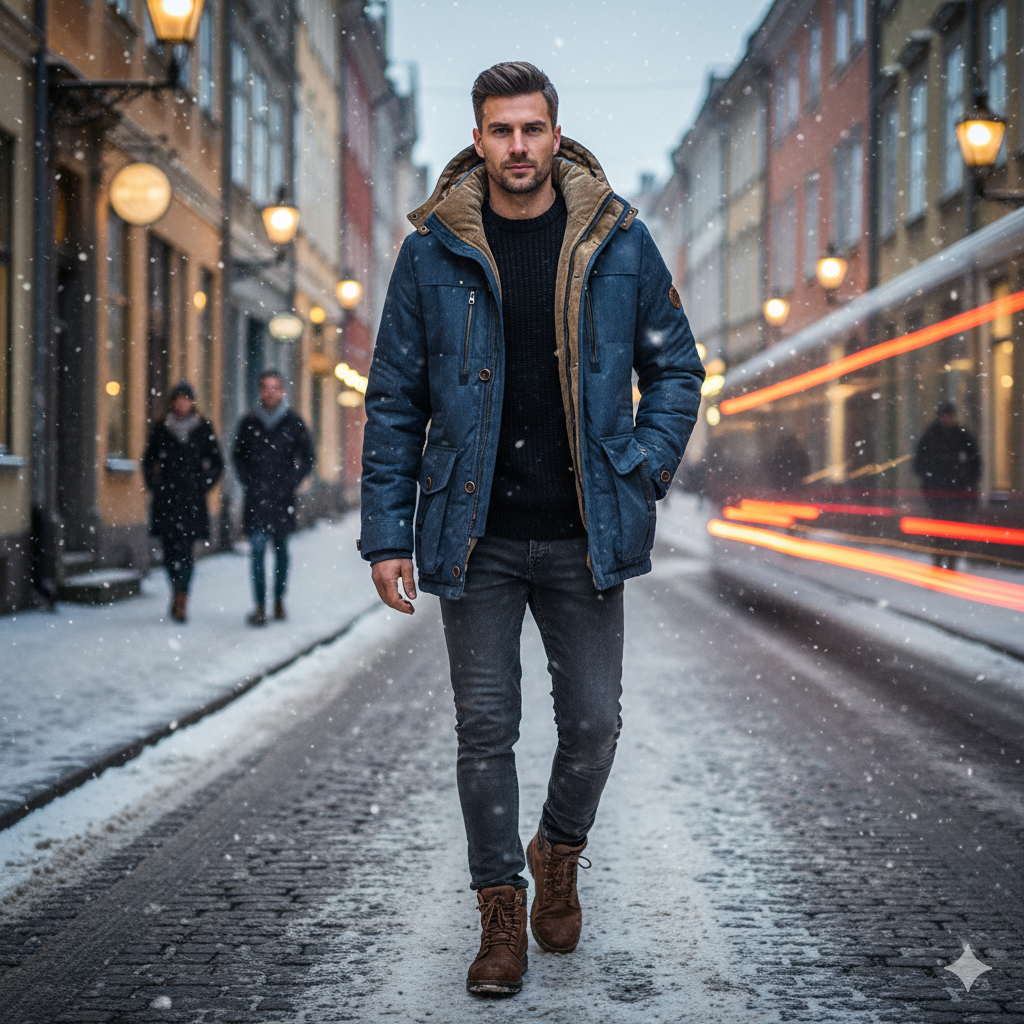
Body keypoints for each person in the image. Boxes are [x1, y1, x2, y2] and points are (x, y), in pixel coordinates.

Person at [359, 62, 704, 996]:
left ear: (557, 134)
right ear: (478, 139)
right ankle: (500, 917)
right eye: (500, 131)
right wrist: (388, 534)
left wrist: (644, 464)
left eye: (532, 129)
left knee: (594, 725)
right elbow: (394, 400)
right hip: (475, 535)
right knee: (487, 730)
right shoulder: (433, 249)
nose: (518, 146)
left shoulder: (618, 239)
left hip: (583, 535)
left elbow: (677, 370)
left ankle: (558, 848)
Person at [232, 370, 315, 625]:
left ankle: (278, 599)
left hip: (282, 500)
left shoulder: (293, 422)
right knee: (257, 551)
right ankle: (259, 606)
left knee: (281, 552)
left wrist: (291, 481)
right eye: (266, 388)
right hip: (257, 499)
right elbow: (237, 456)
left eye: (275, 388)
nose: (270, 392)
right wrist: (249, 482)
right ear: (260, 391)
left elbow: (308, 457)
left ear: (282, 391)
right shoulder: (249, 422)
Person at [142, 381, 224, 623]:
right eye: (178, 399)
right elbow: (148, 460)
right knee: (168, 554)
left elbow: (217, 462)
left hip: (191, 501)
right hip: (166, 500)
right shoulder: (161, 428)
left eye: (186, 399)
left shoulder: (202, 428)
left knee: (186, 552)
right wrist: (155, 484)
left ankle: (182, 597)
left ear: (192, 402)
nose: (181, 404)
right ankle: (176, 590)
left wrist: (203, 485)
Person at [913, 402, 981, 568]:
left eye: (949, 416)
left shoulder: (959, 435)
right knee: (941, 527)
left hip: (955, 491)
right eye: (945, 416)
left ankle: (950, 561)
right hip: (938, 491)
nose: (947, 419)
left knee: (952, 527)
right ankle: (939, 559)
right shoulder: (932, 435)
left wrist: (969, 480)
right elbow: (919, 462)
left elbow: (975, 460)